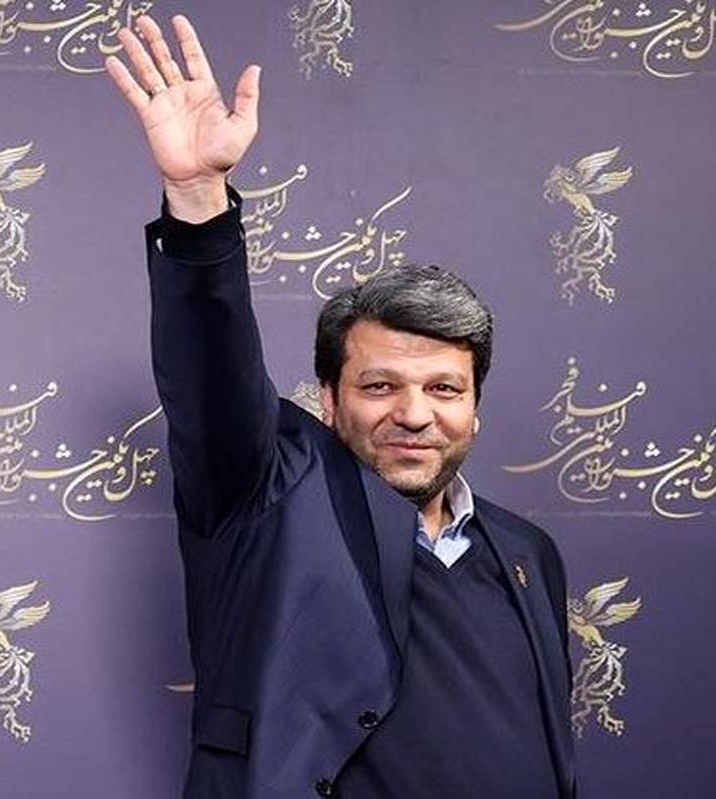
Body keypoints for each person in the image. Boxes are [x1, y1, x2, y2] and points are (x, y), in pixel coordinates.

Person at [107, 15, 576, 798]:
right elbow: (210, 377)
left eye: (444, 388)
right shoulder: (268, 496)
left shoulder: (529, 553)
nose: (415, 413)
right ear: (328, 399)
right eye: (381, 385)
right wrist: (197, 198)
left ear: (475, 407)